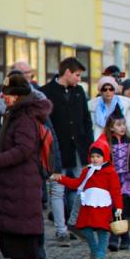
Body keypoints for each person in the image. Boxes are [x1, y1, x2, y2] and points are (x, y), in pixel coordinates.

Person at [0, 74, 51, 259]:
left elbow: (24, 149)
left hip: (24, 179)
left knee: (25, 223)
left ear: (18, 96)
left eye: (8, 94)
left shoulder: (25, 118)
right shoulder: (13, 114)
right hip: (10, 179)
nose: (4, 97)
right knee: (10, 222)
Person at [40, 57, 94, 242]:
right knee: (57, 189)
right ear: (68, 72)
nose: (79, 79)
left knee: (80, 186)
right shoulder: (46, 92)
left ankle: (76, 224)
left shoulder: (78, 92)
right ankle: (61, 229)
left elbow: (86, 121)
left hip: (78, 148)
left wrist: (89, 145)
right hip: (57, 148)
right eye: (77, 75)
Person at [51, 142, 122, 259]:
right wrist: (60, 178)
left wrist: (119, 207)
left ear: (104, 157)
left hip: (102, 206)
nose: (95, 159)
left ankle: (100, 256)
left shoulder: (110, 172)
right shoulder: (87, 171)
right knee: (85, 229)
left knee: (102, 231)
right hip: (88, 205)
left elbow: (116, 191)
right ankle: (95, 251)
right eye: (93, 156)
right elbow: (76, 183)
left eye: (98, 156)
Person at [101, 115, 130, 251]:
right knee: (114, 208)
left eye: (123, 124)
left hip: (127, 179)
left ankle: (114, 238)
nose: (122, 127)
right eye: (118, 125)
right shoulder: (106, 142)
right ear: (111, 127)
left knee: (120, 207)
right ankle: (125, 238)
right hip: (111, 179)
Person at [89, 75, 130, 141]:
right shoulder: (94, 106)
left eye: (111, 89)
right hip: (101, 143)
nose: (108, 91)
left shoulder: (123, 104)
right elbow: (92, 128)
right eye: (105, 89)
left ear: (114, 90)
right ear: (101, 92)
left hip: (120, 142)